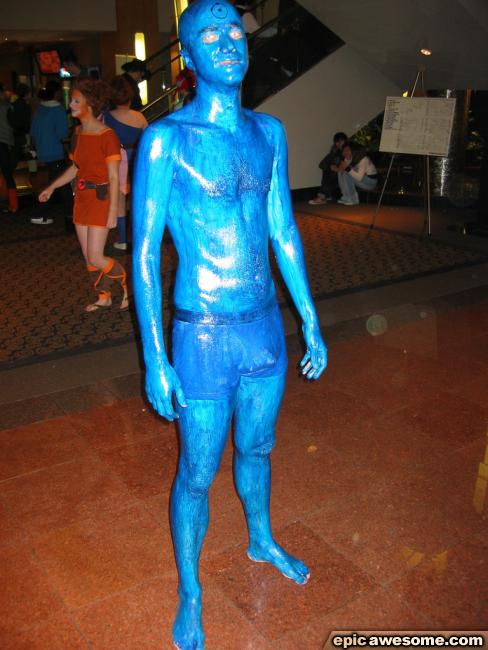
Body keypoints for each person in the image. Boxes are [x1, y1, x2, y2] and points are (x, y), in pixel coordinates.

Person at [132, 2, 327, 648]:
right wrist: (155, 358)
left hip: (264, 326)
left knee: (259, 447)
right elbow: (142, 256)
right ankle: (190, 590)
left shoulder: (268, 132)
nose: (227, 43)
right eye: (209, 36)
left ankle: (261, 538)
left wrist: (310, 318)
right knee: (196, 470)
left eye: (235, 32)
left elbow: (283, 229)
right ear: (187, 57)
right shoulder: (166, 140)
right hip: (203, 333)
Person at [39, 79, 128, 311]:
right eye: (72, 100)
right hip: (82, 199)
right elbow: (76, 168)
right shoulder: (78, 133)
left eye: (76, 101)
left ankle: (127, 285)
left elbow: (114, 177)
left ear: (91, 104)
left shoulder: (107, 135)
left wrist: (113, 212)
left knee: (96, 256)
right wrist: (51, 187)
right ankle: (104, 295)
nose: (71, 104)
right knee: (88, 257)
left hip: (101, 200)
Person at [103, 76, 148, 250]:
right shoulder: (139, 116)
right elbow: (147, 141)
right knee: (138, 200)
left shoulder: (106, 118)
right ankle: (140, 238)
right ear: (130, 97)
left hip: (115, 162)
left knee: (120, 200)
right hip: (137, 162)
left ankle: (122, 240)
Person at [30, 80, 73, 228]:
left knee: (55, 181)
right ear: (56, 93)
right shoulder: (58, 109)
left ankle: (45, 213)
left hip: (43, 151)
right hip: (55, 152)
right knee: (63, 184)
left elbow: (33, 132)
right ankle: (42, 213)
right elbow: (63, 133)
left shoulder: (39, 109)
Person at [308, 131, 347, 205]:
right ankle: (324, 195)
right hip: (337, 175)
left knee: (332, 172)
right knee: (328, 170)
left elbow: (348, 164)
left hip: (347, 174)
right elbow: (321, 165)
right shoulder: (334, 153)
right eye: (338, 142)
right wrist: (330, 167)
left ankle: (322, 196)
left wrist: (337, 168)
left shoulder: (348, 151)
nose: (340, 144)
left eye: (342, 141)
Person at [0, 83, 18, 213]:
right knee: (7, 173)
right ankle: (13, 205)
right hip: (4, 142)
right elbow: (14, 125)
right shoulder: (8, 107)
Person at [9, 83, 32, 171]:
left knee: (15, 154)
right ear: (26, 94)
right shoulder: (26, 106)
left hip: (14, 133)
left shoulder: (13, 105)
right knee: (28, 154)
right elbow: (27, 121)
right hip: (23, 133)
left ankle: (8, 173)